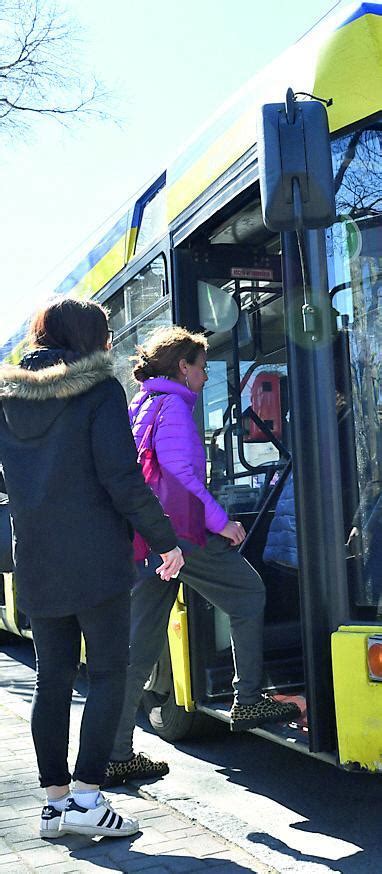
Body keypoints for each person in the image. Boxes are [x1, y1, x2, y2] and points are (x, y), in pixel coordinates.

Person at [0, 299, 184, 839]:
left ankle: (55, 806)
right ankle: (86, 797)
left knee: (51, 677)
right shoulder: (99, 391)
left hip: (36, 559)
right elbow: (121, 478)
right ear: (91, 338)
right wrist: (164, 539)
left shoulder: (7, 400)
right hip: (95, 558)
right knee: (108, 671)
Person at [103, 326, 300, 787]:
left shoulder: (141, 404)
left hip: (147, 537)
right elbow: (181, 474)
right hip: (182, 534)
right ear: (182, 368)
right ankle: (248, 697)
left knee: (141, 646)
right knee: (249, 595)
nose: (206, 375)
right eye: (201, 365)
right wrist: (220, 522)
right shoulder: (173, 407)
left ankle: (113, 754)